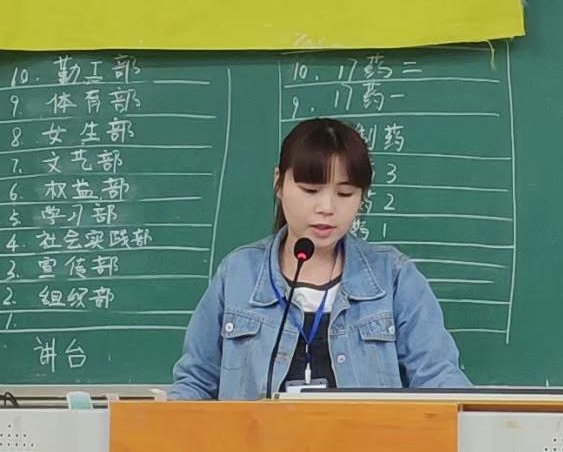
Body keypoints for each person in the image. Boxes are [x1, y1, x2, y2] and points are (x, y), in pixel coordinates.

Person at [168, 117, 471, 399]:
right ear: (278, 183)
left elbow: (439, 381)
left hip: (367, 441)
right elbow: (195, 384)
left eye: (345, 194)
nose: (326, 207)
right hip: (254, 441)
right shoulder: (238, 274)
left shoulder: (393, 277)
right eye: (310, 190)